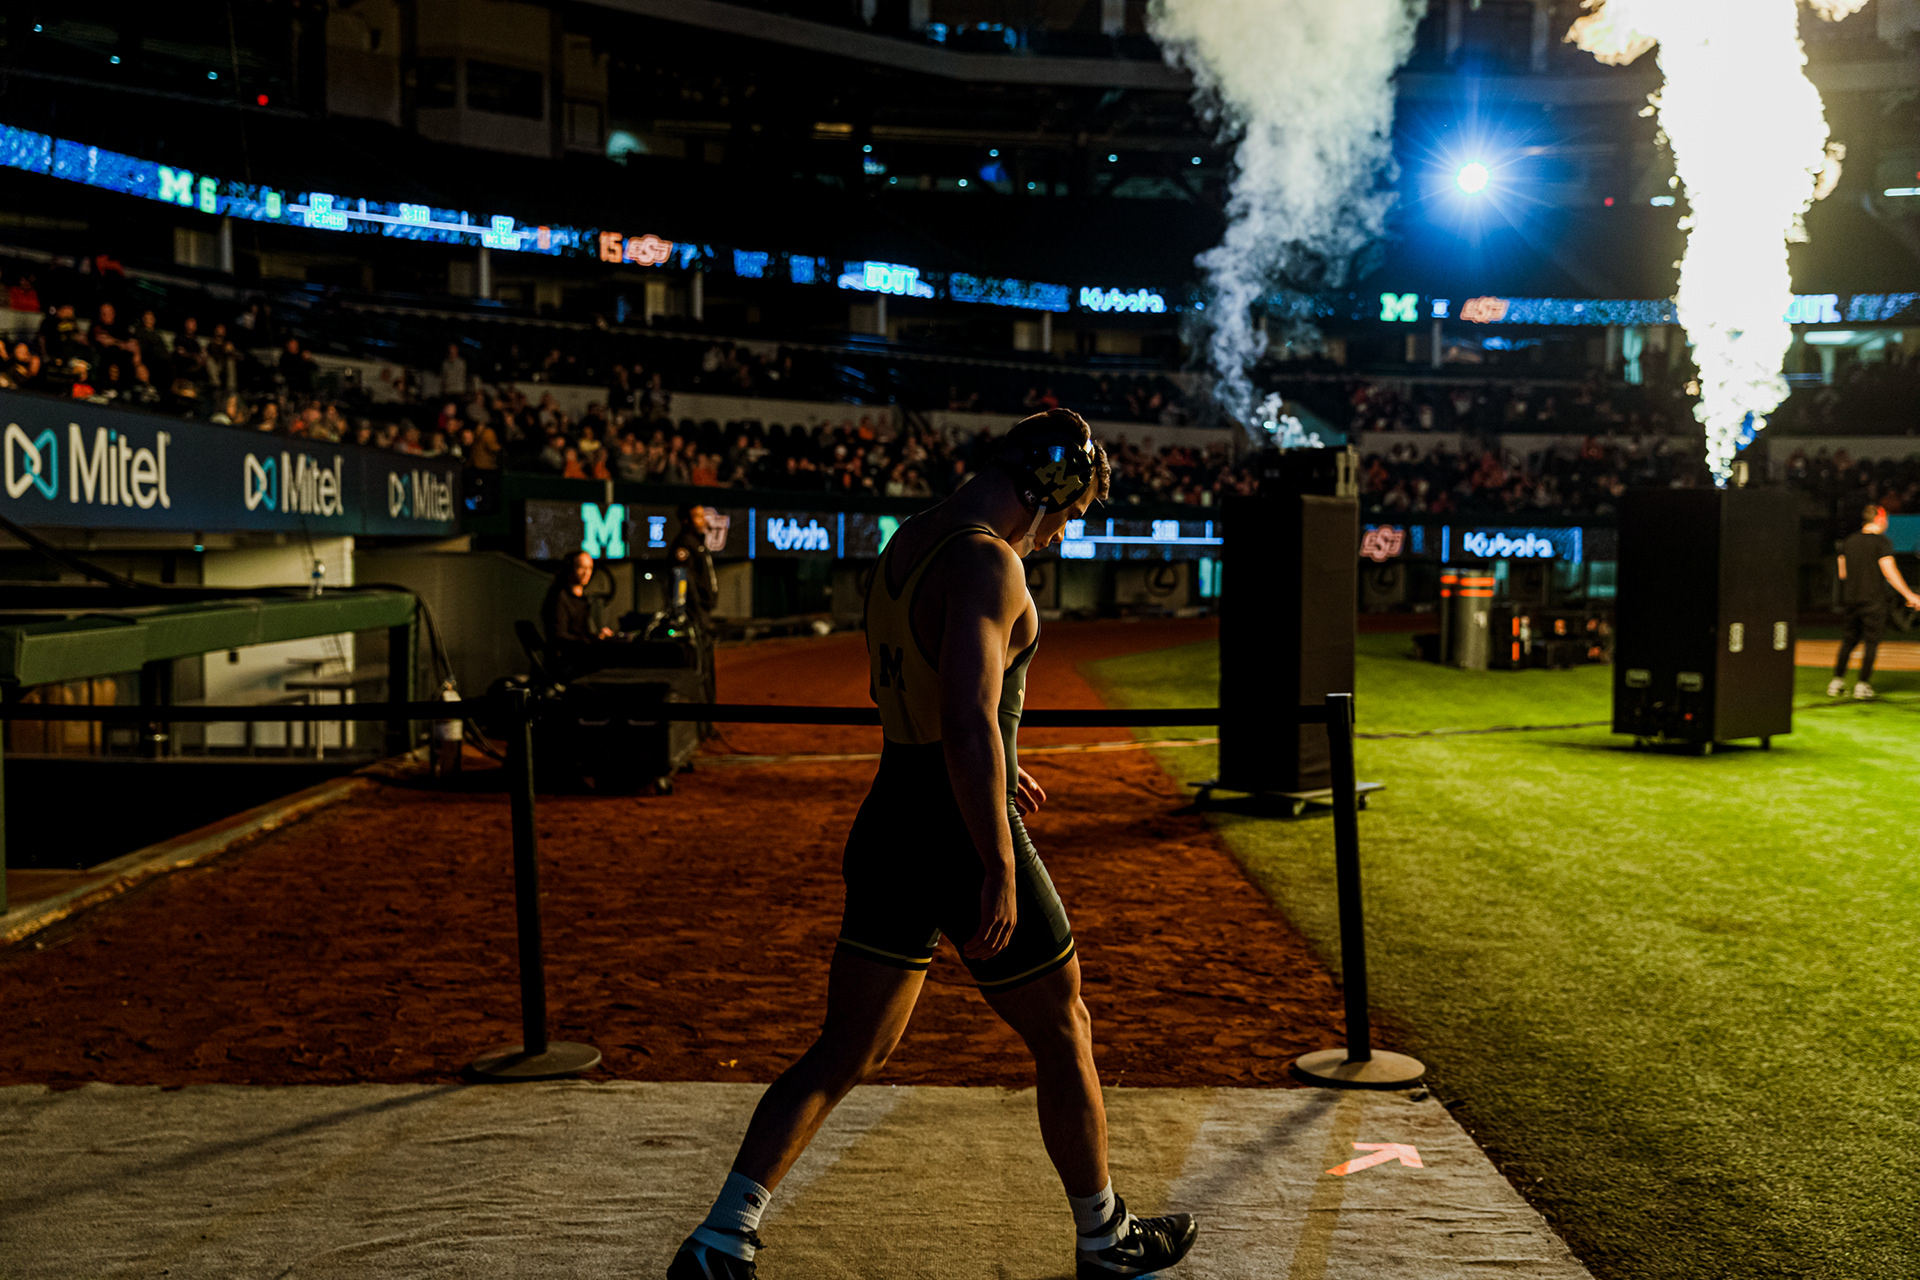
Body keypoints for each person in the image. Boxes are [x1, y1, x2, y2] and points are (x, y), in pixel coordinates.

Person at [665, 410, 1197, 1280]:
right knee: (1065, 1027)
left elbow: (930, 708)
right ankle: (1105, 1238)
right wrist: (993, 856)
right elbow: (964, 720)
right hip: (956, 826)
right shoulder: (990, 558)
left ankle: (724, 1234)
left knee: (848, 1048)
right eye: (1064, 514)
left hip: (894, 813)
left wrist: (995, 766)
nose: (1058, 534)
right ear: (1050, 485)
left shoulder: (910, 539)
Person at [1829, 504, 1920, 700]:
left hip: (1852, 599)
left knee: (1848, 641)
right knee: (1871, 643)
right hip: (1873, 600)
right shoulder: (1881, 542)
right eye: (1885, 518)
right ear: (1879, 518)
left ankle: (1836, 682)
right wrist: (1909, 595)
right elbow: (1889, 572)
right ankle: (1862, 685)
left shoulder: (1849, 541)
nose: (1887, 522)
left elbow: (1842, 572)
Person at [542, 550, 613, 678]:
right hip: (567, 664)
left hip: (579, 659)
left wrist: (598, 638)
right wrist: (590, 642)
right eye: (582, 568)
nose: (587, 573)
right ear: (570, 568)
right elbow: (558, 636)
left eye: (590, 568)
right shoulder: (558, 597)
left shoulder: (583, 600)